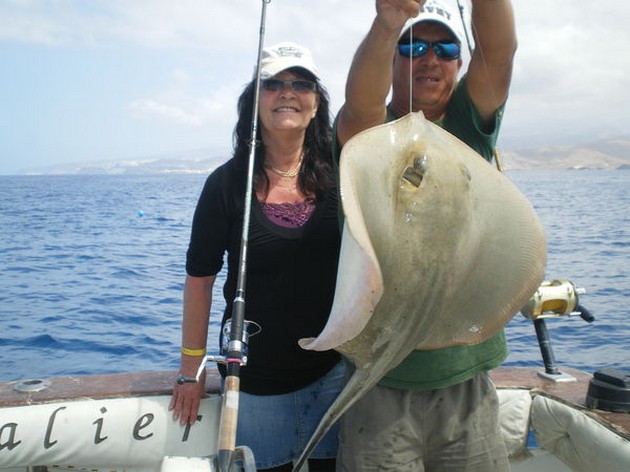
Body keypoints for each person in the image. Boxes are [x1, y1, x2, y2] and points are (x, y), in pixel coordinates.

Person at [334, 1, 517, 470]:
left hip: (465, 378)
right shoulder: (373, 136)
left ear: (459, 63)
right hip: (380, 379)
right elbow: (359, 106)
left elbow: (499, 53)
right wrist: (389, 21)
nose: (429, 58)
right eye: (412, 47)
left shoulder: (468, 128)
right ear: (393, 61)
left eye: (444, 47)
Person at [169, 42, 344, 472]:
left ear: (317, 102)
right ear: (254, 102)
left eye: (301, 83)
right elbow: (200, 280)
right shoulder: (225, 184)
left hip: (337, 376)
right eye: (273, 84)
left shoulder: (344, 175)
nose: (287, 92)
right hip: (256, 386)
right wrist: (190, 372)